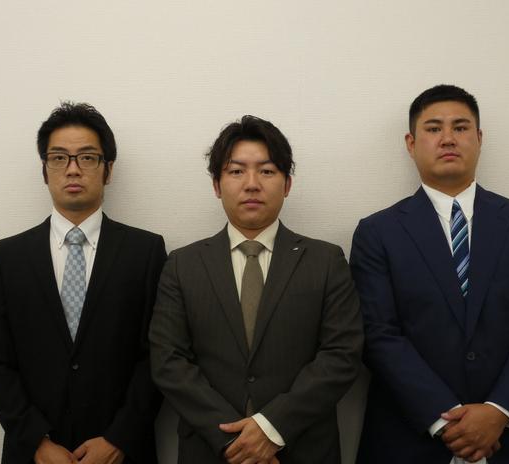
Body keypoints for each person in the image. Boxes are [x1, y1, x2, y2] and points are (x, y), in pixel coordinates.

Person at [351, 84, 509, 463]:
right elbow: (378, 333)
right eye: (433, 128)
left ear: (479, 138)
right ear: (411, 143)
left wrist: (499, 411)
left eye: (460, 127)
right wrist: (447, 419)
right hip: (410, 438)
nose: (448, 138)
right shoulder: (377, 233)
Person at [149, 115, 363, 463]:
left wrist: (271, 428)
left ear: (287, 184)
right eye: (236, 171)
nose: (251, 184)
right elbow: (168, 361)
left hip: (303, 448)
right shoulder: (182, 264)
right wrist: (235, 440)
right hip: (211, 450)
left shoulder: (326, 260)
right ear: (217, 185)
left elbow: (342, 354)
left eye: (266, 171)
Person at [0, 102, 166, 464]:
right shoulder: (6, 257)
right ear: (44, 170)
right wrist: (36, 442)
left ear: (108, 170)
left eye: (88, 158)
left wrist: (119, 438)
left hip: (124, 453)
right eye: (59, 158)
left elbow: (157, 356)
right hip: (33, 454)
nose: (73, 169)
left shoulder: (146, 252)